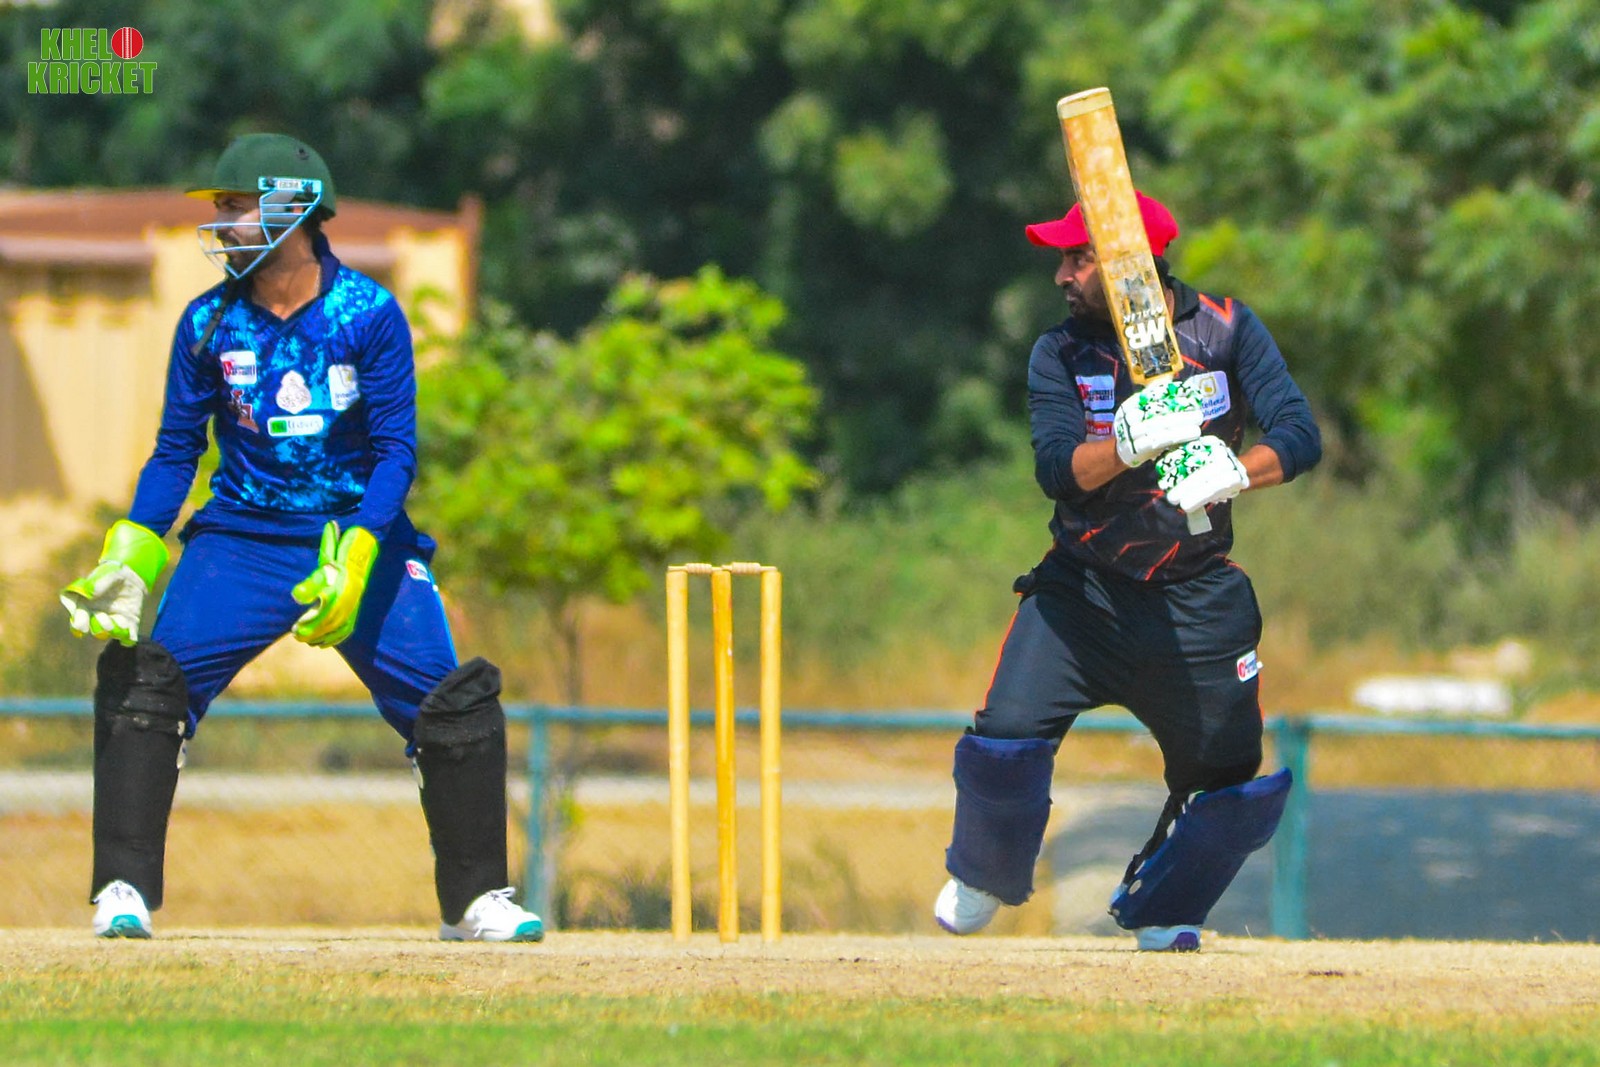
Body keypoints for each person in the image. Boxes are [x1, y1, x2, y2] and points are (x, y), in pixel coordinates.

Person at [59, 133, 543, 943]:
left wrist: (360, 550)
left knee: (450, 703)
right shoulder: (207, 322)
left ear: (295, 208)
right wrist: (133, 546)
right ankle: (122, 888)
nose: (223, 223)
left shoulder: (367, 313)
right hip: (240, 538)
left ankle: (477, 901)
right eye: (220, 207)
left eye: (236, 206)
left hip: (357, 534)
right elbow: (177, 452)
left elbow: (396, 452)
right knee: (148, 686)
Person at [933, 191, 1321, 951]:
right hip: (1083, 593)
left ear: (1131, 264)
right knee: (1006, 736)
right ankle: (984, 871)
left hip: (1196, 597)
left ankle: (1165, 906)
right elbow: (1056, 469)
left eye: (1079, 258)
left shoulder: (1227, 329)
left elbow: (1299, 434)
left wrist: (1235, 473)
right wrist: (1126, 445)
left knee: (1228, 777)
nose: (1061, 276)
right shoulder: (1059, 352)